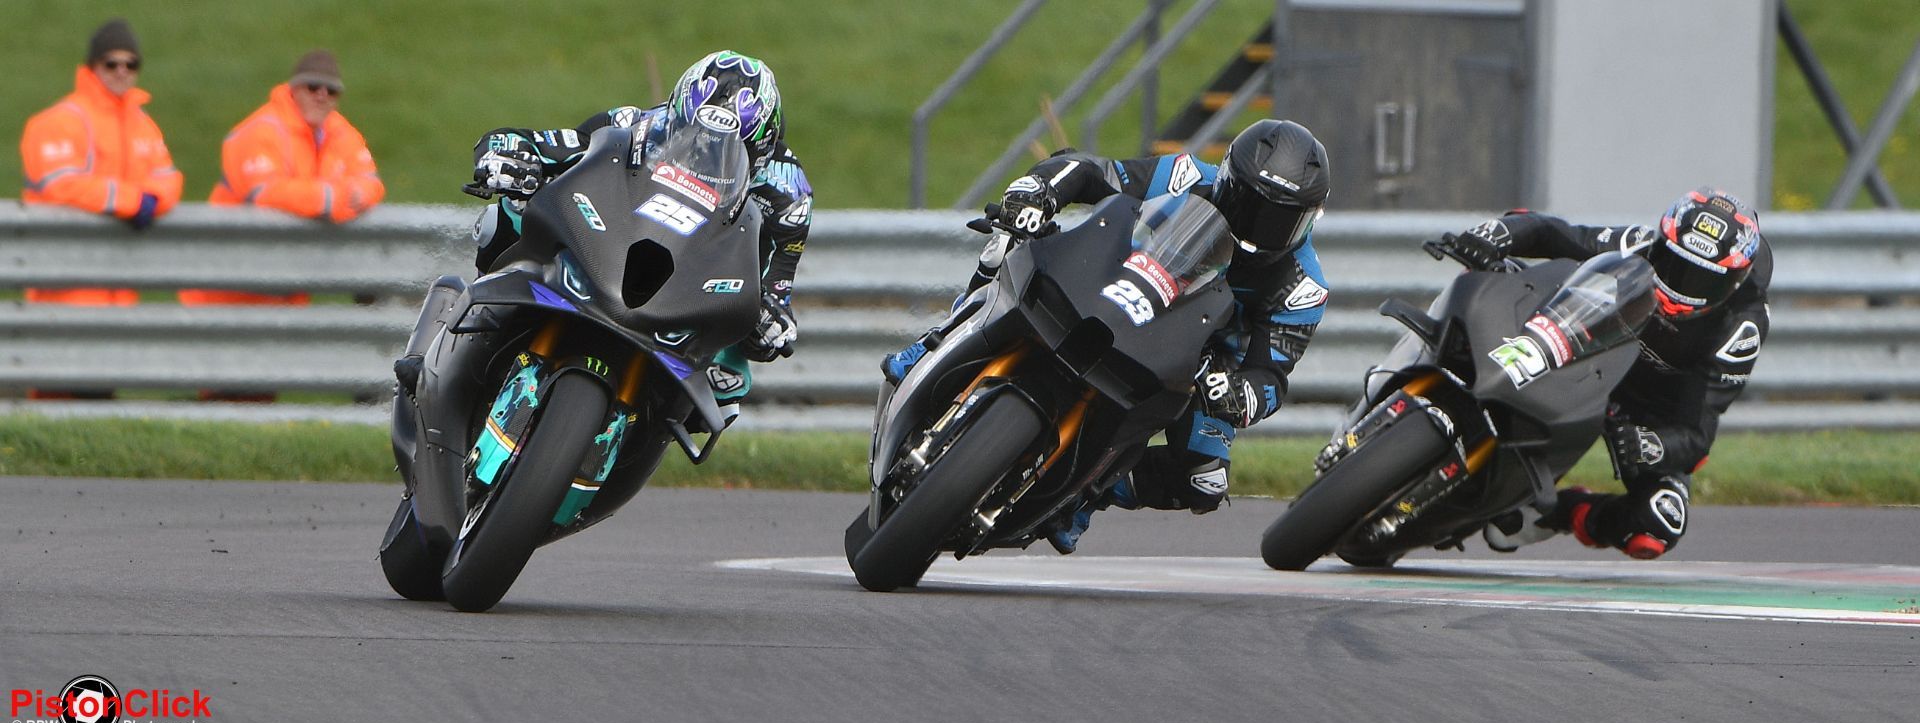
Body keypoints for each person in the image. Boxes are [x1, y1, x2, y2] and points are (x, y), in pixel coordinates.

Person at [884, 119, 1333, 553]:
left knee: (1204, 480)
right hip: (1116, 283)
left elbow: (1271, 373)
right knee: (1008, 243)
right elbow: (1093, 171)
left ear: (1310, 220)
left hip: (1198, 361)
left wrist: (1240, 395)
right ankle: (937, 339)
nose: (1257, 230)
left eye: (1278, 222)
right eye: (1248, 206)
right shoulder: (1185, 175)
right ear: (1228, 179)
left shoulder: (1302, 287)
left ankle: (1085, 496)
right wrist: (1042, 189)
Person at [458, 50, 809, 422]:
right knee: (508, 214)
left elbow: (776, 287)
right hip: (610, 248)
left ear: (764, 147)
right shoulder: (636, 123)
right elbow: (553, 146)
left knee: (729, 381)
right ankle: (474, 332)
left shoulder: (788, 195)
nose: (708, 157)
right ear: (675, 117)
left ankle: (650, 428)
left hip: (693, 289)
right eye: (696, 140)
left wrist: (773, 321)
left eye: (731, 150)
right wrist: (511, 155)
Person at [1435, 188, 1771, 560]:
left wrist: (1651, 445)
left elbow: (1697, 433)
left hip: (1643, 415)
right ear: (1661, 241)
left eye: (1701, 281)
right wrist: (1499, 234)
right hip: (1584, 361)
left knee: (1659, 523)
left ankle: (1560, 512)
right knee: (1492, 279)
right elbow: (1555, 232)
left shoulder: (1741, 331)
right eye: (1673, 264)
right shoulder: (1639, 244)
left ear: (1735, 281)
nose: (1679, 288)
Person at [195, 49, 385, 306]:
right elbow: (265, 194)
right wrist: (332, 199)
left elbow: (371, 183)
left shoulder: (340, 131)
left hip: (285, 291)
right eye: (313, 86)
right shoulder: (262, 130)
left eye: (332, 91)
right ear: (293, 89)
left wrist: (351, 196)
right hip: (225, 292)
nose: (322, 95)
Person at [20, 18, 183, 307]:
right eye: (111, 64)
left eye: (130, 64)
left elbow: (169, 178)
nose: (121, 71)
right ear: (93, 66)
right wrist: (133, 201)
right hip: (64, 285)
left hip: (121, 283)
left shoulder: (143, 124)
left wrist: (154, 199)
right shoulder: (58, 121)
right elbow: (62, 185)